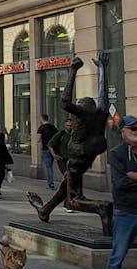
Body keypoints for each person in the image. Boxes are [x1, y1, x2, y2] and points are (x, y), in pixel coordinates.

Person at [27, 53, 112, 232]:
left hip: (78, 155)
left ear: (81, 105)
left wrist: (73, 70)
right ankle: (45, 210)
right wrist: (103, 69)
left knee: (72, 198)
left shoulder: (82, 114)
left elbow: (65, 102)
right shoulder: (101, 112)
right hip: (91, 153)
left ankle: (102, 208)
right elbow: (104, 95)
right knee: (68, 182)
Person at [102, 114, 137, 269]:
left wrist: (134, 176)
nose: (136, 132)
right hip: (126, 211)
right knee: (118, 255)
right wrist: (128, 179)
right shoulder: (117, 153)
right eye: (132, 129)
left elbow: (128, 180)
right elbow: (121, 183)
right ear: (123, 133)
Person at [37, 113, 58, 189]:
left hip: (46, 149)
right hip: (53, 149)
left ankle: (51, 184)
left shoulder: (41, 128)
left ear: (42, 119)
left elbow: (38, 139)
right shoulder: (53, 127)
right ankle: (51, 183)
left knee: (49, 167)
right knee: (51, 167)